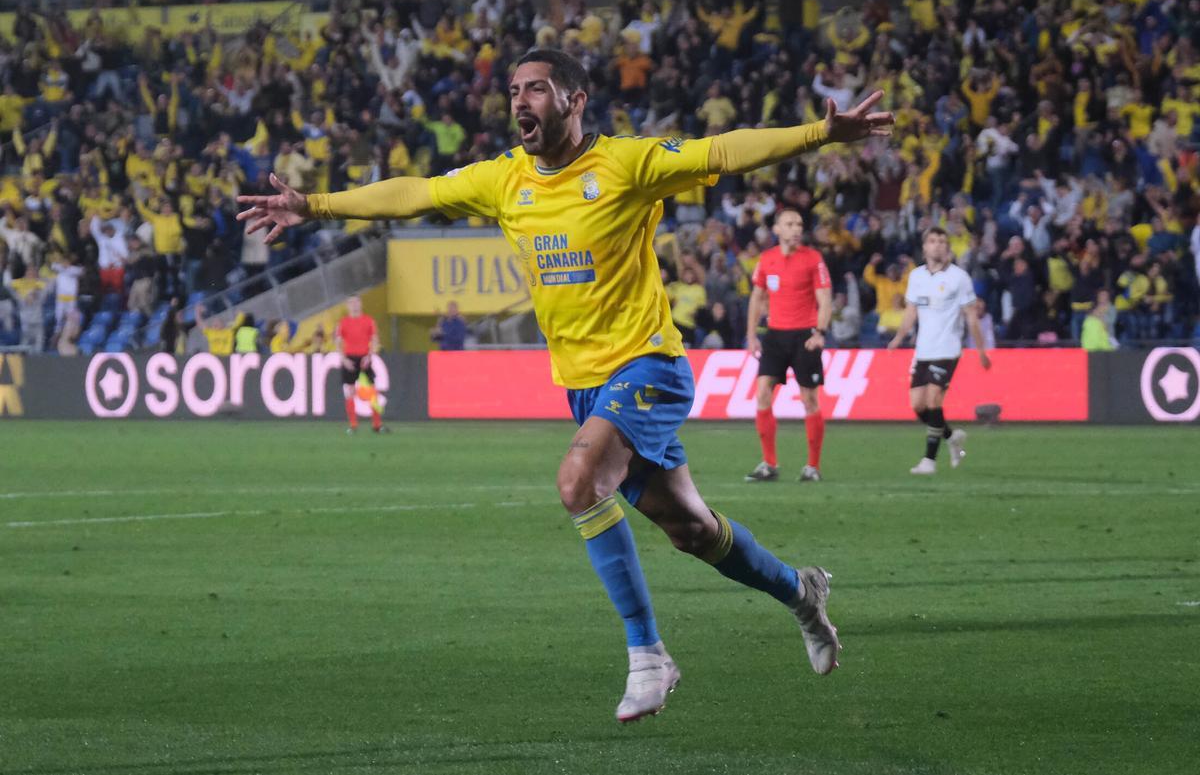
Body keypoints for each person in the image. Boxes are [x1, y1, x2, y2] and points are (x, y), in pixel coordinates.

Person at [238, 49, 892, 722]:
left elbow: (721, 151)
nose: (521, 101)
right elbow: (415, 191)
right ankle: (801, 591)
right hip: (585, 386)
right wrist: (312, 204)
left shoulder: (627, 165)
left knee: (579, 480)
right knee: (692, 530)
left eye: (538, 89)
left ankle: (648, 654)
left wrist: (819, 133)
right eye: (514, 90)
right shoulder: (503, 179)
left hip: (648, 365)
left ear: (575, 100)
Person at [888, 227, 991, 475]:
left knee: (934, 399)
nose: (938, 246)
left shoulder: (959, 278)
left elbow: (971, 317)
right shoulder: (916, 277)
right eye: (932, 241)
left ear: (948, 247)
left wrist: (981, 350)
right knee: (918, 406)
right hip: (923, 350)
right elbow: (911, 312)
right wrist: (899, 337)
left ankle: (929, 461)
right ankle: (952, 436)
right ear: (924, 247)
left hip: (948, 348)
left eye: (942, 242)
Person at [743, 209, 832, 483]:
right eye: (790, 224)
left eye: (799, 224)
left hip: (805, 335)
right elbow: (757, 297)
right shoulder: (767, 259)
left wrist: (820, 331)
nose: (796, 228)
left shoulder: (813, 258)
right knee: (762, 394)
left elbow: (826, 299)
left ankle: (812, 466)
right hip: (774, 335)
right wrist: (751, 334)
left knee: (809, 399)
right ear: (777, 229)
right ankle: (769, 464)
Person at [336, 295, 386, 434]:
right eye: (351, 302)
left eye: (356, 302)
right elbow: (338, 342)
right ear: (347, 305)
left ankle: (377, 425)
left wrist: (369, 356)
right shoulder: (343, 322)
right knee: (350, 392)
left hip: (364, 358)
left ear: (361, 304)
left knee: (372, 392)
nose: (354, 305)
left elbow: (375, 339)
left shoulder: (369, 321)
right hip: (350, 359)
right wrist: (344, 359)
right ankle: (353, 425)